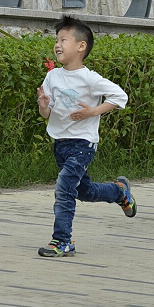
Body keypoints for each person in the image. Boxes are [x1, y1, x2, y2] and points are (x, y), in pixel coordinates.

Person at [35, 16, 136, 257]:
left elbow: (120, 97)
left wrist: (93, 111)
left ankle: (62, 241)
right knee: (83, 191)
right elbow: (47, 115)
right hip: (60, 143)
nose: (57, 44)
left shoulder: (90, 78)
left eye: (63, 40)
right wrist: (42, 105)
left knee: (64, 188)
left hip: (83, 144)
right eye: (56, 40)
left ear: (81, 46)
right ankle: (119, 191)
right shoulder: (52, 77)